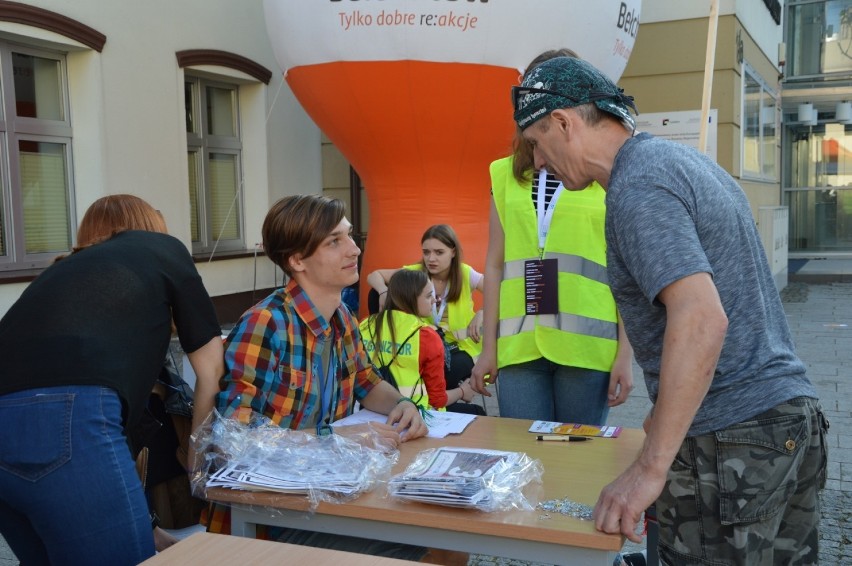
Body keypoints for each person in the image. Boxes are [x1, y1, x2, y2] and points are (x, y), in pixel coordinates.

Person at [511, 56, 827, 564]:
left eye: (535, 143)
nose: (539, 162)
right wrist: (657, 432)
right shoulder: (682, 163)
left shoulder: (637, 190)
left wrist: (650, 469)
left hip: (731, 441)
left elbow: (702, 320)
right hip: (785, 423)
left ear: (564, 123)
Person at [0, 194, 224, 565]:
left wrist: (145, 523)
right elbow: (211, 370)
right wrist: (197, 468)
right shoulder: (165, 249)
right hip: (68, 418)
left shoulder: (65, 271)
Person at [207, 195, 431, 560]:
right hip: (270, 516)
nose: (355, 249)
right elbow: (234, 439)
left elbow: (366, 380)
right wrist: (336, 438)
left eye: (350, 236)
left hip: (329, 495)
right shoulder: (265, 323)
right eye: (335, 241)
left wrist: (404, 404)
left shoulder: (341, 316)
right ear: (297, 261)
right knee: (436, 544)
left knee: (440, 533)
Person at [471, 49, 633, 426]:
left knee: (575, 456)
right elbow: (494, 264)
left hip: (586, 348)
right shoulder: (502, 174)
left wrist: (625, 354)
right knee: (524, 458)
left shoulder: (603, 174)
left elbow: (625, 270)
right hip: (519, 346)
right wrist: (488, 349)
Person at [367, 225, 485, 414]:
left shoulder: (465, 273)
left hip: (461, 347)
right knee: (420, 367)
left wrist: (482, 313)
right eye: (426, 252)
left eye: (439, 252)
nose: (431, 258)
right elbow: (374, 276)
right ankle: (437, 402)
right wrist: (383, 291)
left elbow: (500, 291)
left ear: (453, 252)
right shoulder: (416, 274)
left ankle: (440, 403)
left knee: (444, 371)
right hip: (425, 343)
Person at [360, 269, 476, 411]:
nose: (434, 300)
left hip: (369, 410)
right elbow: (437, 400)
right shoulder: (426, 335)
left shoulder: (364, 325)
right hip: (414, 415)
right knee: (478, 412)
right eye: (428, 296)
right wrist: (463, 391)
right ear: (411, 298)